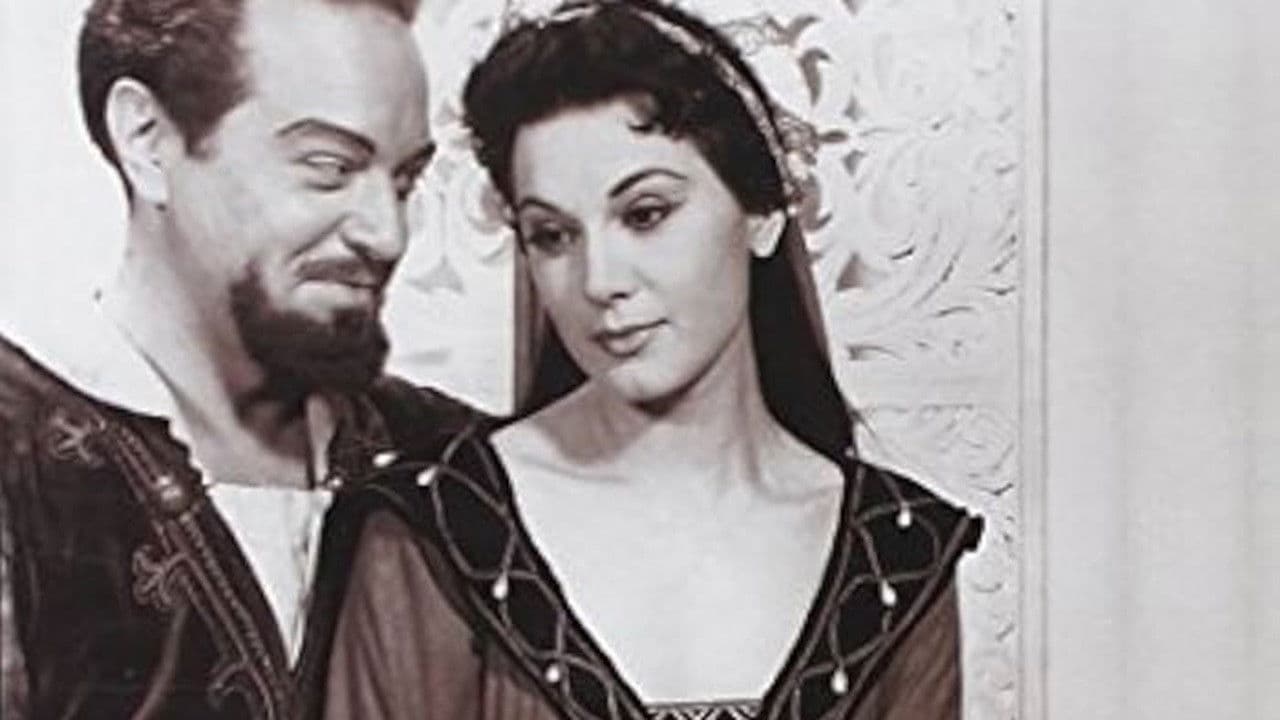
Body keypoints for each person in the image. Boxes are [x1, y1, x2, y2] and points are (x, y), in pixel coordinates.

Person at [323, 1, 983, 718]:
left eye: (645, 215)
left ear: (761, 212)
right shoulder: (436, 535)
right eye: (552, 235)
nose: (599, 280)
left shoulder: (896, 554)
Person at [0, 0, 473, 717]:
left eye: (404, 182)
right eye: (329, 168)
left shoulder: (452, 459)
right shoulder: (18, 456)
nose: (388, 234)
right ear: (148, 140)